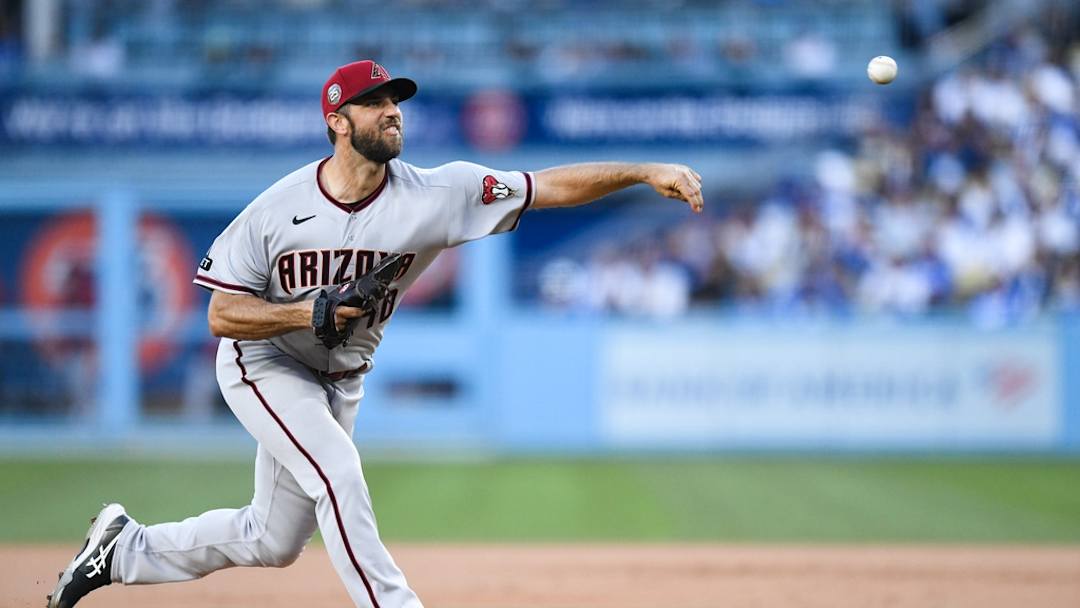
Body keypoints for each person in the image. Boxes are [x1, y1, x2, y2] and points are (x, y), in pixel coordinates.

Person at [47, 59, 703, 608]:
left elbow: (547, 188)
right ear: (337, 122)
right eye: (373, 102)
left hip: (340, 379)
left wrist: (644, 170)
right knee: (339, 473)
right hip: (265, 361)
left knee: (273, 540)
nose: (392, 110)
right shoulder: (278, 210)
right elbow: (222, 315)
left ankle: (123, 549)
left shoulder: (437, 193)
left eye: (396, 100)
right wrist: (305, 312)